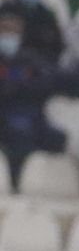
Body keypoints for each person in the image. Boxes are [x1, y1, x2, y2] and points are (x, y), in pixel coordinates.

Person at [0, 10, 71, 189]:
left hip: (32, 112)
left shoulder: (30, 58)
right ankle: (14, 183)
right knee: (19, 131)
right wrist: (18, 85)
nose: (10, 35)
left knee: (57, 137)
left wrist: (15, 86)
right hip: (5, 113)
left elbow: (45, 83)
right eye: (5, 30)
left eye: (14, 31)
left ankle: (48, 187)